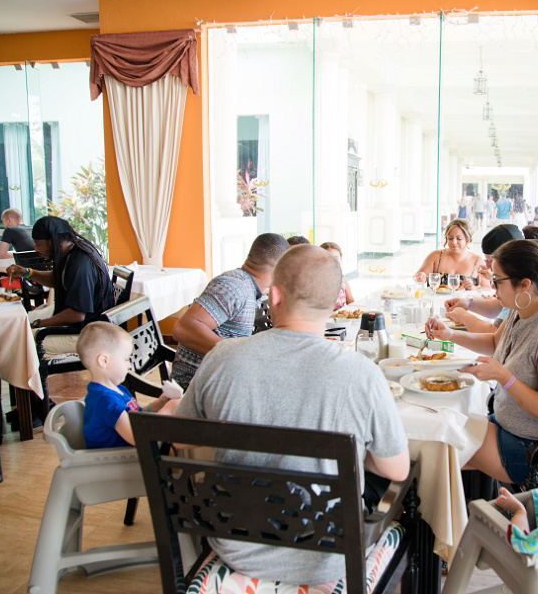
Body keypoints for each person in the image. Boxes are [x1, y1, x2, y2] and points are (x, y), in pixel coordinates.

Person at [175, 244, 409, 585]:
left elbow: (181, 439)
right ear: (335, 302)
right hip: (329, 558)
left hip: (235, 546)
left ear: (274, 295)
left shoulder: (222, 357)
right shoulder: (361, 374)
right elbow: (397, 469)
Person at [426, 239, 538, 485]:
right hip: (515, 430)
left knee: (441, 450)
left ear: (524, 285)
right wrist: (449, 335)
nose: (493, 288)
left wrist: (504, 377)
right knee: (440, 441)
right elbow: (494, 344)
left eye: (497, 281)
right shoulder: (522, 308)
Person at [171, 232, 289, 390]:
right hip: (198, 384)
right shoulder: (234, 287)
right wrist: (237, 353)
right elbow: (182, 329)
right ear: (280, 267)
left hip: (220, 377)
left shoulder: (250, 287)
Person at [6, 216, 113, 354]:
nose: (36, 248)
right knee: (19, 321)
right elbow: (56, 280)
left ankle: (23, 375)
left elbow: (76, 314)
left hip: (88, 332)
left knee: (20, 341)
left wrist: (39, 324)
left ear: (53, 241)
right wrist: (28, 272)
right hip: (81, 323)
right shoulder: (71, 250)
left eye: (38, 244)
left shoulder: (80, 262)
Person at [446, 224, 538, 330]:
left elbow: (496, 336)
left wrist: (464, 317)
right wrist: (468, 303)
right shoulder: (537, 272)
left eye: (491, 261)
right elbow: (499, 308)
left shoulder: (528, 284)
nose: (488, 266)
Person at [78, 322, 180, 449]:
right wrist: (168, 411)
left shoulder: (117, 389)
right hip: (114, 462)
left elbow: (135, 416)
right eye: (125, 359)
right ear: (104, 361)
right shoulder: (106, 401)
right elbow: (139, 436)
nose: (129, 365)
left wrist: (159, 404)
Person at [413, 218, 488, 289]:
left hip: (465, 302)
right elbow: (416, 278)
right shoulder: (435, 256)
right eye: (450, 238)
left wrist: (473, 288)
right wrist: (420, 278)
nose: (454, 242)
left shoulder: (477, 261)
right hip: (437, 302)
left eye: (459, 238)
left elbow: (487, 289)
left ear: (467, 239)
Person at [320, 241, 354, 309]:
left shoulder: (343, 281)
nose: (333, 261)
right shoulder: (317, 281)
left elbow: (351, 302)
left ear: (341, 259)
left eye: (336, 258)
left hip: (341, 318)